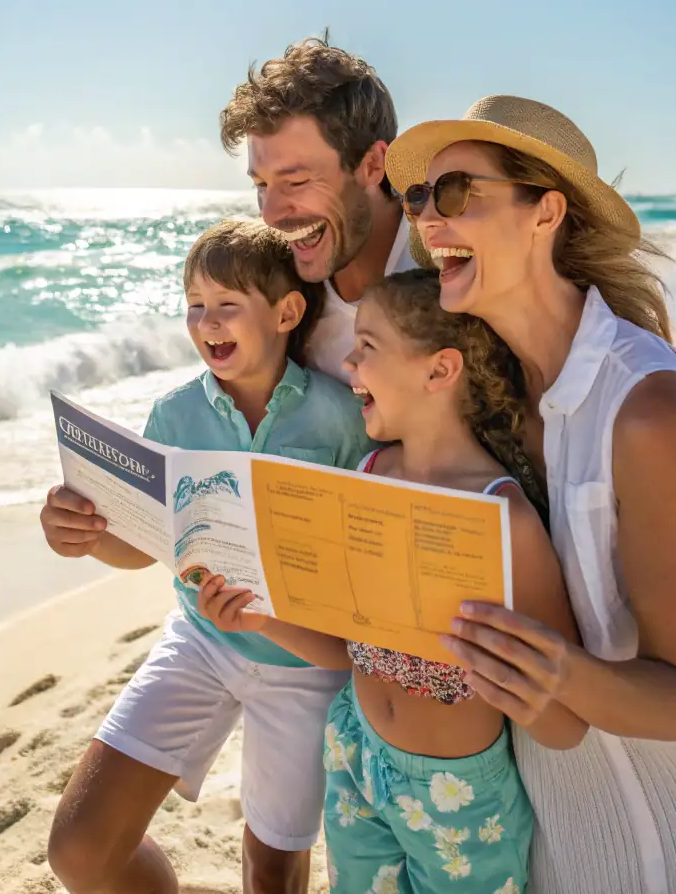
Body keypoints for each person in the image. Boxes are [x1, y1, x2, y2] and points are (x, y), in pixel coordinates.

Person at [385, 95, 676, 894]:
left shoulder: (649, 408)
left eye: (458, 192)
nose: (430, 219)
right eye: (419, 198)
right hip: (565, 840)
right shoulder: (480, 390)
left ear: (548, 212)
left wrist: (549, 673)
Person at [198, 270, 585, 894]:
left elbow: (566, 722)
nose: (347, 362)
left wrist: (505, 674)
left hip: (457, 795)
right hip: (354, 749)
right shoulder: (371, 473)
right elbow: (352, 650)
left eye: (367, 348)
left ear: (440, 370)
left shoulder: (502, 518)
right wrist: (258, 618)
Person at [43, 219, 373, 894]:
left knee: (273, 872)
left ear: (286, 312)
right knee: (80, 849)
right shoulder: (173, 416)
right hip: (200, 640)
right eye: (195, 304)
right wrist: (82, 532)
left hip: (304, 665)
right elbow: (145, 545)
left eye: (227, 304)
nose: (206, 321)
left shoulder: (342, 417)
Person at [220, 36, 417, 384]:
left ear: (372, 165)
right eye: (262, 186)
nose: (271, 215)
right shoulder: (281, 293)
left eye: (296, 182)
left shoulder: (454, 279)